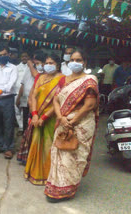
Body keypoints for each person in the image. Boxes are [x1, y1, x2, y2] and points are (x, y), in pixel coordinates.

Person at [45, 49, 98, 202]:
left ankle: (68, 189)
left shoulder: (89, 80)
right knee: (59, 154)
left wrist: (72, 121)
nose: (75, 63)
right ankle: (55, 187)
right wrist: (61, 118)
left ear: (85, 62)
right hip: (63, 121)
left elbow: (90, 105)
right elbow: (56, 100)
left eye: (79, 60)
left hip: (82, 123)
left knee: (75, 157)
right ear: (68, 63)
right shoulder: (63, 80)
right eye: (72, 60)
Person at [24, 53, 63, 185]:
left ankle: (49, 176)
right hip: (37, 118)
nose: (48, 66)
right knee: (36, 144)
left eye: (51, 63)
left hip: (51, 119)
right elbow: (34, 97)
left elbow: (58, 101)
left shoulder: (62, 79)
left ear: (57, 65)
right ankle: (34, 173)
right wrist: (35, 114)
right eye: (46, 63)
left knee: (49, 146)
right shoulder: (40, 78)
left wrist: (45, 117)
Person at [16, 51, 47, 164]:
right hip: (27, 103)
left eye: (37, 62)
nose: (34, 63)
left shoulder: (43, 72)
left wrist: (30, 65)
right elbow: (23, 84)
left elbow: (36, 76)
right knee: (26, 129)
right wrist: (19, 98)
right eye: (34, 61)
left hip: (39, 106)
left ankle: (35, 156)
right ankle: (26, 154)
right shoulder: (28, 70)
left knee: (36, 131)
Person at [15, 51, 30, 136]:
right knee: (17, 110)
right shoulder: (16, 67)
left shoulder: (30, 67)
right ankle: (20, 127)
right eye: (23, 56)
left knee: (24, 110)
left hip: (25, 92)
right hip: (17, 91)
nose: (24, 58)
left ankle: (24, 127)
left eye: (26, 56)